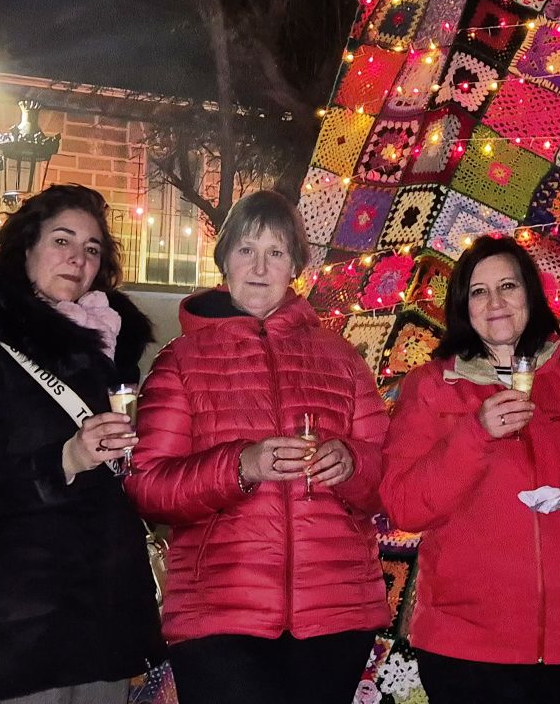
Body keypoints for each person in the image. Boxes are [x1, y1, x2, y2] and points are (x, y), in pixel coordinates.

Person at [125, 190, 389, 704]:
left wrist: (352, 463)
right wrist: (238, 466)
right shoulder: (181, 360)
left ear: (295, 264)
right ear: (224, 259)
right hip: (220, 619)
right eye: (246, 250)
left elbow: (387, 479)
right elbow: (148, 487)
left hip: (335, 614)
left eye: (276, 251)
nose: (260, 266)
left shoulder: (341, 358)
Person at [0, 184, 164, 703]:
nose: (78, 259)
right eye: (62, 241)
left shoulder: (107, 344)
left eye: (92, 249)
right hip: (25, 623)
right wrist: (66, 458)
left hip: (106, 612)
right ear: (25, 248)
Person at [380, 235, 560, 704]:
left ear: (531, 296)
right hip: (469, 648)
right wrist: (475, 434)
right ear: (462, 307)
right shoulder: (432, 387)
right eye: (478, 291)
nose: (495, 302)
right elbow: (403, 505)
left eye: (508, 286)